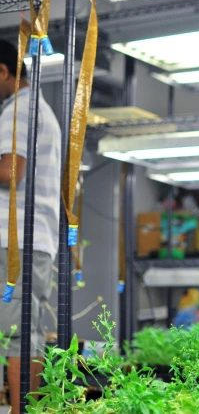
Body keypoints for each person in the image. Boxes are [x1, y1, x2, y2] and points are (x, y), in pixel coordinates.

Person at [0, 39, 61, 412]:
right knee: (22, 333)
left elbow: (10, 170)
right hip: (24, 241)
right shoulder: (25, 108)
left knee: (17, 335)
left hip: (17, 242)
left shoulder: (20, 110)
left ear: (3, 71)